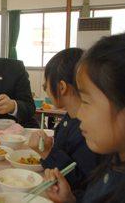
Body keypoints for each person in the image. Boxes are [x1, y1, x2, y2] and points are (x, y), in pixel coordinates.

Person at [45, 33, 125, 203]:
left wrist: (48, 152)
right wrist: (71, 200)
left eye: (86, 101)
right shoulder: (113, 164)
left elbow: (80, 177)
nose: (79, 114)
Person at [28, 48, 99, 197]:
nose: (46, 89)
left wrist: (47, 152)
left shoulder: (89, 128)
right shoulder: (69, 117)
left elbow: (80, 180)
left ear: (61, 87)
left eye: (45, 85)